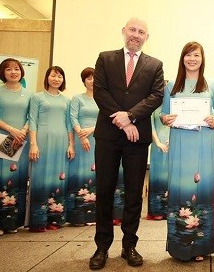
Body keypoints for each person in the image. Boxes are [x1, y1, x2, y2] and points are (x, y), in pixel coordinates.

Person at [90, 17, 164, 270]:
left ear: (146, 37)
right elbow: (100, 91)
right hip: (108, 136)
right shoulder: (105, 58)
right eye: (132, 30)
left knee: (134, 193)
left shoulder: (155, 65)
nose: (136, 34)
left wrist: (131, 116)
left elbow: (156, 96)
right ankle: (102, 247)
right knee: (104, 190)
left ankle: (129, 244)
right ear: (123, 31)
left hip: (137, 139)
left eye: (141, 31)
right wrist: (123, 120)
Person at [160, 41, 214, 262]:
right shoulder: (171, 86)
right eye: (188, 55)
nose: (192, 59)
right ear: (182, 58)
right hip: (180, 144)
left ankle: (201, 245)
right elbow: (163, 114)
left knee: (202, 187)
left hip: (204, 143)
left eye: (196, 55)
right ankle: (180, 245)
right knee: (180, 187)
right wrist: (164, 118)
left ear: (202, 58)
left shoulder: (211, 85)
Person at [0, 58, 32, 236]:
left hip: (21, 140)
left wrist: (23, 131)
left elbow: (31, 117)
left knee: (16, 178)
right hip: (0, 139)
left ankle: (13, 221)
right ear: (2, 72)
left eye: (17, 69)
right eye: (9, 69)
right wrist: (12, 130)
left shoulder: (29, 94)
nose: (13, 72)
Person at [28, 66, 74, 232]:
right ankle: (38, 220)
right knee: (40, 178)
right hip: (42, 140)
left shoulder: (66, 100)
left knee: (59, 178)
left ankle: (56, 219)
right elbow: (32, 120)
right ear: (47, 77)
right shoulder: (37, 97)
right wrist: (33, 143)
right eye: (53, 76)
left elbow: (69, 124)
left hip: (61, 140)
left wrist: (71, 144)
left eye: (60, 76)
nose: (56, 79)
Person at [66, 67, 98, 226]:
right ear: (84, 81)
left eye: (95, 78)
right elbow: (72, 118)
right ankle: (76, 216)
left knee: (96, 174)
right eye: (89, 78)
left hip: (98, 139)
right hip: (80, 141)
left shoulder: (103, 98)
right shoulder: (77, 98)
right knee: (79, 174)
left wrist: (92, 130)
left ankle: (91, 214)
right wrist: (82, 135)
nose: (92, 81)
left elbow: (108, 119)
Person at [147, 80, 170, 220]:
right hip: (158, 144)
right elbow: (151, 126)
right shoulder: (153, 107)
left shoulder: (174, 106)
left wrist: (173, 139)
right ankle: (156, 210)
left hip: (173, 143)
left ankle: (170, 209)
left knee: (171, 176)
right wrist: (158, 143)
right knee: (158, 176)